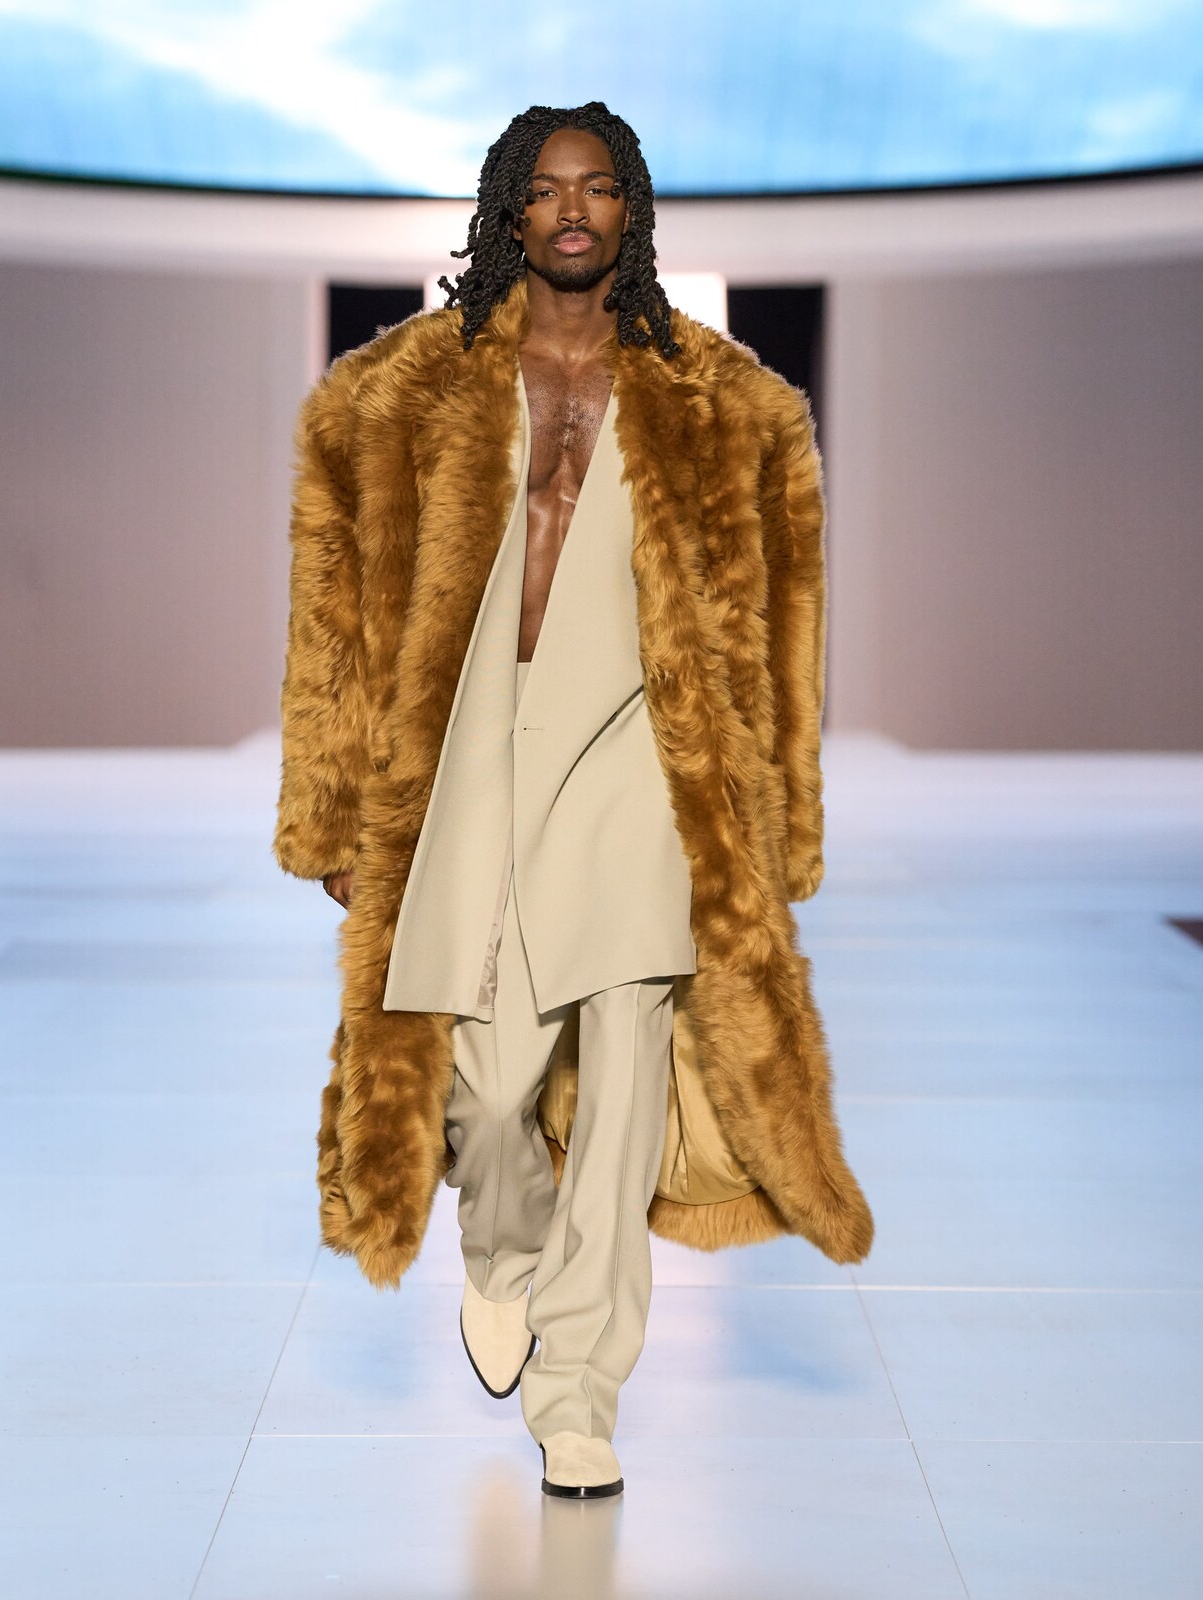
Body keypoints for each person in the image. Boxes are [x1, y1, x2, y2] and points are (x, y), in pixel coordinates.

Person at [273, 101, 874, 1500]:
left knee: (625, 1077)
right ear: (509, 211)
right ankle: (502, 1252)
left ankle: (581, 1389)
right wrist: (332, 806)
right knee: (485, 1088)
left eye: (599, 187)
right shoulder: (395, 396)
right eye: (548, 189)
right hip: (469, 751)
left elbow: (788, 627)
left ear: (631, 210)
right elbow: (331, 612)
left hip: (641, 758)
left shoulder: (729, 408)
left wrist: (780, 823)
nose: (574, 209)